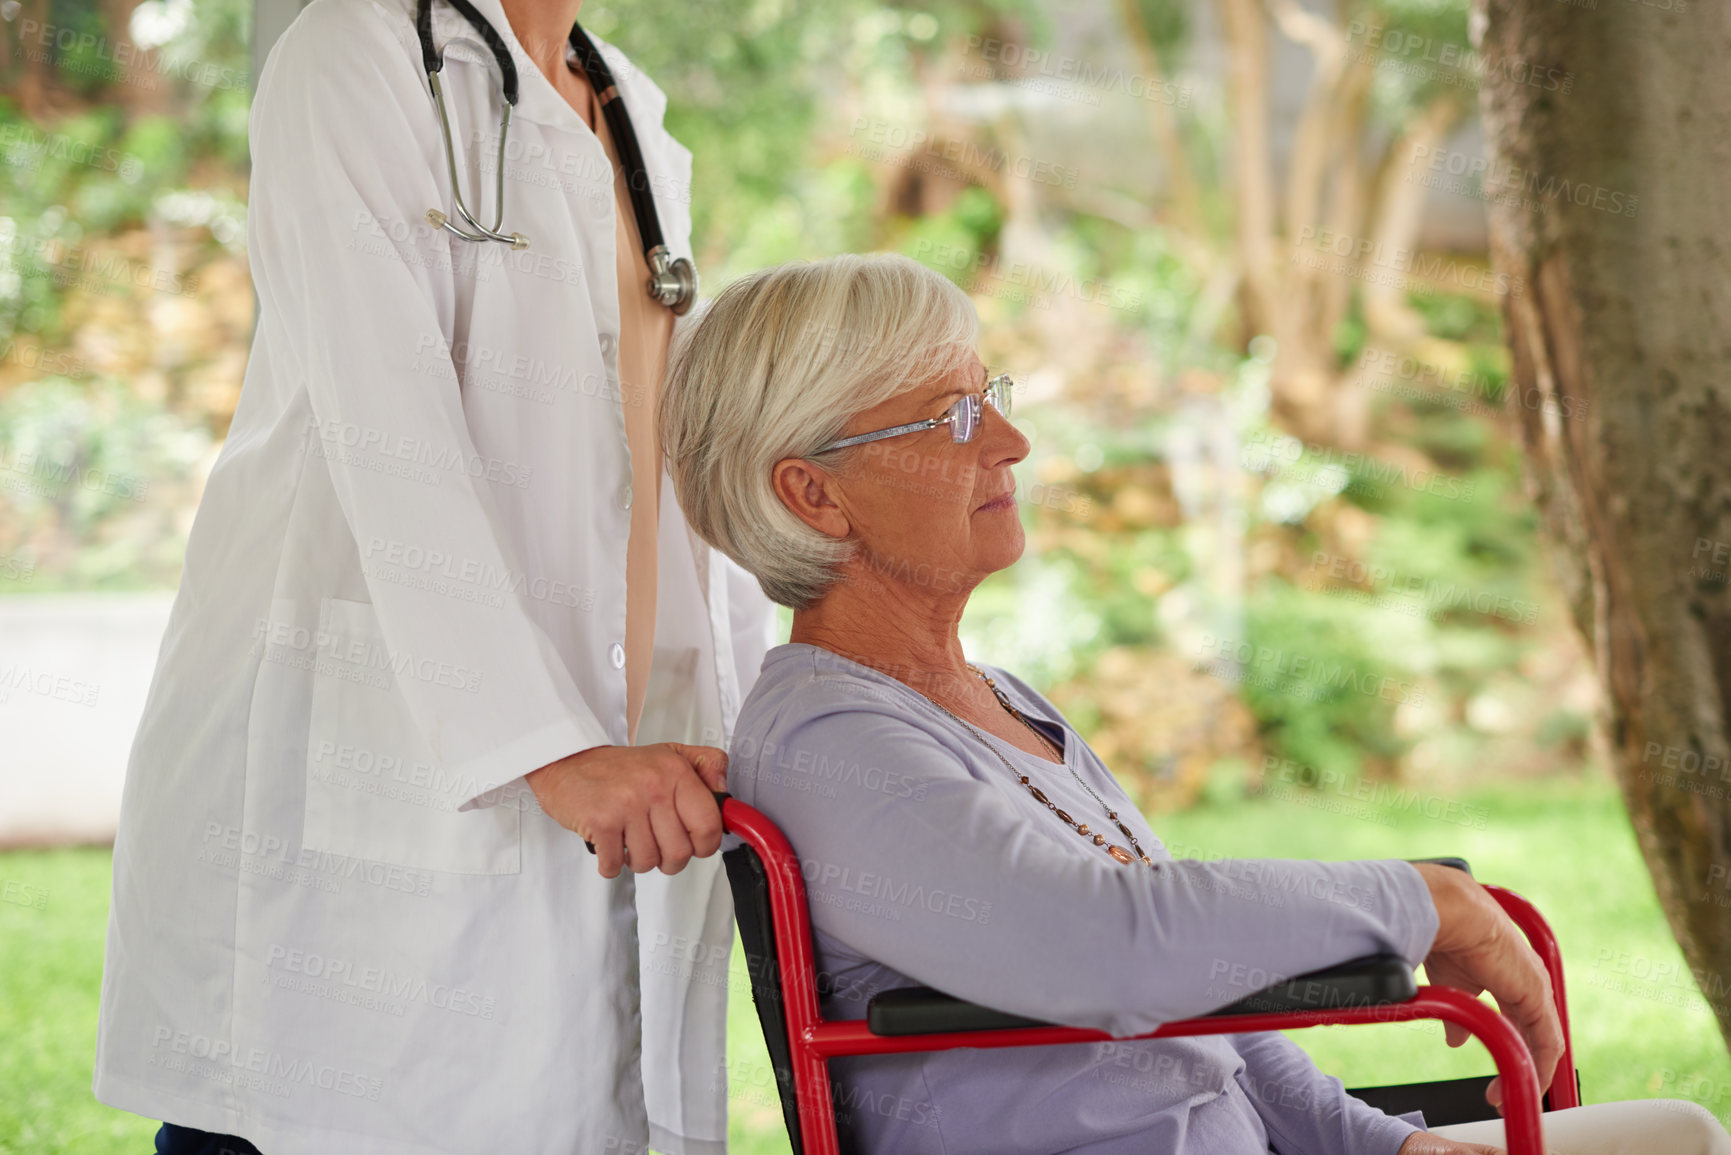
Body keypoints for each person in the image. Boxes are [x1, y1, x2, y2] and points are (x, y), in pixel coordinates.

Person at [657, 252, 1731, 1155]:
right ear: (812, 492)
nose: (1009, 443)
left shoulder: (1000, 701)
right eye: (951, 416)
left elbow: (1204, 1004)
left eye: (992, 397)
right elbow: (1107, 950)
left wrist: (1391, 1147)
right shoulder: (830, 741)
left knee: (1680, 1132)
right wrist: (1420, 900)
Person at [92, 0, 774, 1151]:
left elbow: (663, 453)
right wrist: (545, 747)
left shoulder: (628, 109)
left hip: (608, 758)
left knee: (562, 1098)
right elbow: (386, 426)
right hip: (383, 753)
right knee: (337, 1100)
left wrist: (768, 717)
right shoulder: (352, 60)